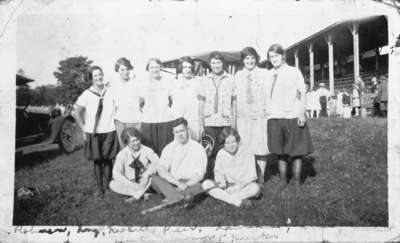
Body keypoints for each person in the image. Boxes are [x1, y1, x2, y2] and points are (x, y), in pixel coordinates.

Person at [264, 44, 313, 191]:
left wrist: (302, 112)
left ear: (283, 56)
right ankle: (283, 180)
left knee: (297, 151)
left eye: (276, 56)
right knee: (280, 152)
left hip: (291, 115)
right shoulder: (268, 75)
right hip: (274, 117)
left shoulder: (293, 72)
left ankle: (297, 181)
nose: (274, 59)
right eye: (271, 57)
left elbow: (302, 93)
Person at [73, 66, 119, 199]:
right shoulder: (87, 94)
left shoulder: (110, 91)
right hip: (93, 132)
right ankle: (100, 189)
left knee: (109, 160)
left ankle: (109, 186)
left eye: (100, 74)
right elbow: (77, 113)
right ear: (91, 78)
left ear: (103, 75)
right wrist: (83, 129)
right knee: (98, 161)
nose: (98, 77)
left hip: (109, 129)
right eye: (95, 76)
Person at [198, 51, 236, 179]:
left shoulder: (231, 79)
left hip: (225, 121)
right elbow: (201, 104)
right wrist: (200, 125)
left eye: (219, 62)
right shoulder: (204, 80)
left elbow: (234, 104)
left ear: (223, 63)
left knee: (224, 151)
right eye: (213, 62)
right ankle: (210, 177)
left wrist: (234, 125)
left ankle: (225, 177)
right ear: (210, 64)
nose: (216, 65)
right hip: (209, 121)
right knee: (209, 150)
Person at [233, 47, 269, 184]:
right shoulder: (238, 75)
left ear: (257, 59)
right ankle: (247, 176)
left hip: (259, 116)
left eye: (252, 58)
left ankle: (261, 177)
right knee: (245, 147)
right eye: (247, 58)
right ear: (243, 60)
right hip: (243, 118)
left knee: (260, 147)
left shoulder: (264, 73)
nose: (250, 61)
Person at [151, 118, 208, 203]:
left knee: (199, 187)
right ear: (173, 134)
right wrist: (177, 183)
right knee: (154, 179)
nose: (180, 135)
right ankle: (179, 196)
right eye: (176, 132)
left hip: (191, 183)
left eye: (182, 131)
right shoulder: (169, 148)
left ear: (187, 130)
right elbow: (162, 170)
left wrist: (186, 185)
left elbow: (200, 175)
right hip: (173, 182)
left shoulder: (198, 148)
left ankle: (172, 195)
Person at [202, 127, 260, 207]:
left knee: (255, 188)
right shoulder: (221, 154)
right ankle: (237, 201)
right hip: (228, 187)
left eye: (233, 141)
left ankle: (228, 199)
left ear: (237, 141)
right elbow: (219, 173)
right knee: (206, 184)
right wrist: (221, 182)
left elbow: (252, 176)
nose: (231, 145)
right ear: (223, 144)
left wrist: (240, 185)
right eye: (227, 143)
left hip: (244, 186)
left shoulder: (247, 151)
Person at [109, 127, 159, 203]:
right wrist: (130, 183)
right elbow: (116, 173)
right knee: (112, 184)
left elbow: (157, 161)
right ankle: (139, 194)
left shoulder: (146, 149)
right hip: (131, 183)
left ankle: (140, 193)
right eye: (133, 141)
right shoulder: (122, 154)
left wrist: (148, 173)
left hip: (145, 181)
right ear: (126, 143)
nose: (136, 143)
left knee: (155, 178)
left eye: (137, 140)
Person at [140, 58, 177, 156]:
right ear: (148, 69)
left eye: (157, 67)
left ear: (161, 68)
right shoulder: (142, 83)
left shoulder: (168, 81)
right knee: (150, 153)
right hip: (149, 122)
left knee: (165, 152)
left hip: (165, 121)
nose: (155, 69)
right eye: (152, 67)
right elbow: (139, 102)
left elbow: (174, 100)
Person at [111, 57, 142, 147]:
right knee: (124, 148)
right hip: (121, 121)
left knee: (137, 146)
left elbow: (142, 99)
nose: (125, 72)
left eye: (127, 69)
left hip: (136, 120)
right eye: (122, 69)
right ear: (118, 71)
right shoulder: (114, 85)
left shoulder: (136, 83)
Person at [171, 56, 202, 141]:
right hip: (179, 121)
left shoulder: (198, 82)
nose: (187, 70)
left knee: (195, 145)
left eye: (189, 67)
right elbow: (172, 99)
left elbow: (200, 102)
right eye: (185, 67)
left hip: (194, 120)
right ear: (180, 68)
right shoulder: (174, 82)